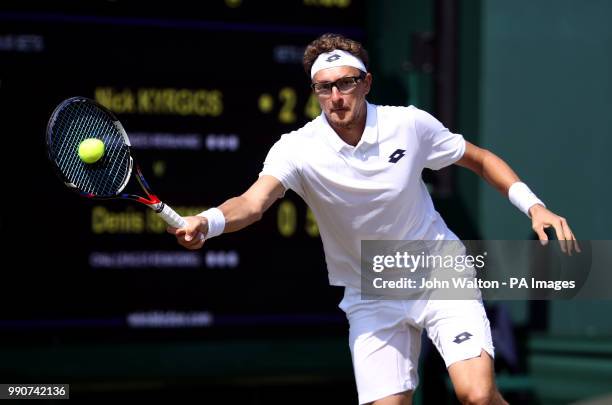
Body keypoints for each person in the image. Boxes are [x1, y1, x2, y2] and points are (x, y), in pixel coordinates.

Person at [168, 33, 578, 405]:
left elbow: (480, 159)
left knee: (476, 394)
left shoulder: (409, 125)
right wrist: (207, 221)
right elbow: (253, 203)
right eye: (324, 87)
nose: (336, 96)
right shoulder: (296, 148)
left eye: (345, 83)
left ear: (365, 83)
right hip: (370, 294)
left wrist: (533, 205)